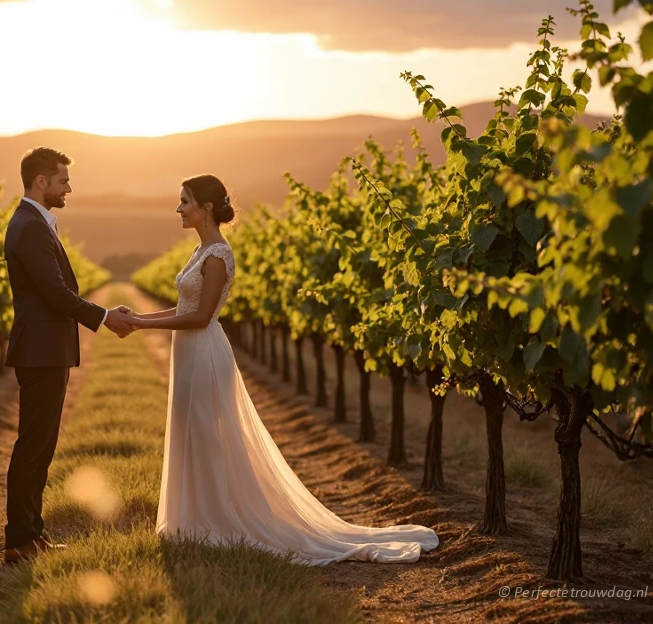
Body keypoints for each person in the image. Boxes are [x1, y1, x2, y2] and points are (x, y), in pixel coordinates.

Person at [119, 173, 440, 565]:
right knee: (191, 432)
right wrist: (139, 317)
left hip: (203, 352)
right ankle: (193, 520)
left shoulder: (218, 253)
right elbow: (184, 308)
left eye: (184, 201)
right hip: (188, 352)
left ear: (205, 208)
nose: (178, 208)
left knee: (207, 435)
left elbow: (201, 317)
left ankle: (215, 521)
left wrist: (142, 324)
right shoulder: (201, 250)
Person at [1, 146, 138, 565]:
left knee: (42, 447)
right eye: (63, 181)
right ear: (40, 182)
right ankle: (19, 541)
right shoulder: (29, 226)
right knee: (33, 446)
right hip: (40, 352)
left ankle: (32, 534)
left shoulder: (36, 223)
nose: (69, 188)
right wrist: (104, 317)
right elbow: (55, 294)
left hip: (46, 350)